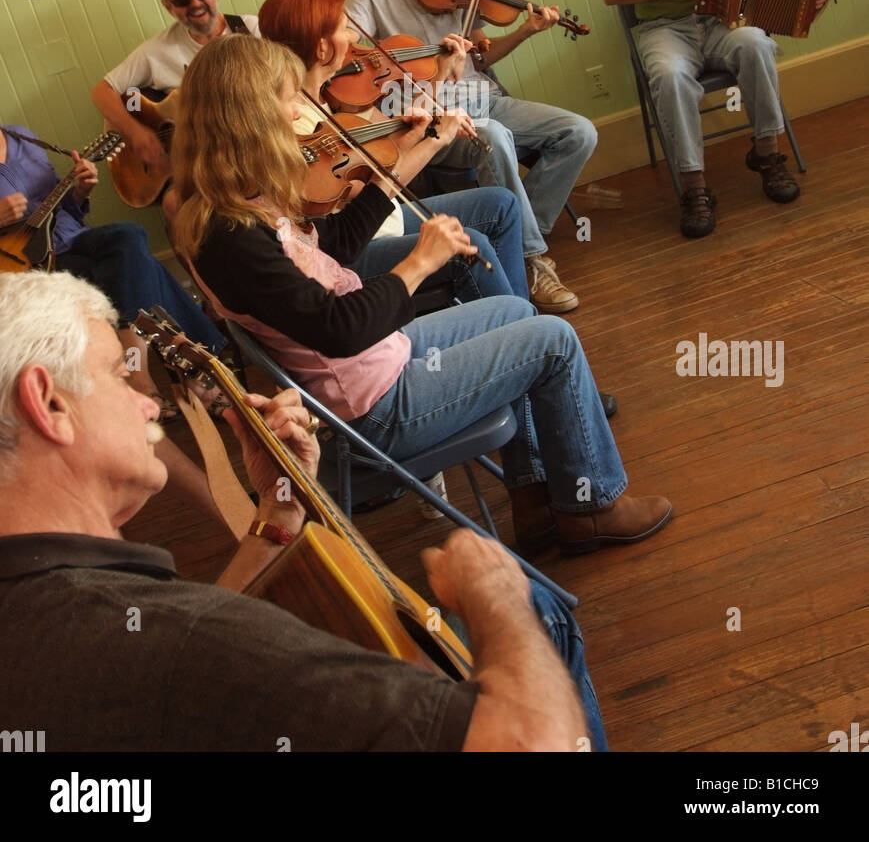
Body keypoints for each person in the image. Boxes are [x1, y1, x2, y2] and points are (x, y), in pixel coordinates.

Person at [0, 269, 608, 752]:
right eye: (119, 375)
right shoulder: (168, 637)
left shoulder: (49, 607)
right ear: (48, 402)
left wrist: (278, 512)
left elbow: (185, 654)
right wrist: (496, 595)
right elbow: (531, 741)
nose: (149, 406)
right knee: (538, 608)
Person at [171, 34, 673, 558]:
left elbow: (336, 247)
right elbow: (340, 329)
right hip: (375, 408)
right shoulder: (229, 236)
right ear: (248, 114)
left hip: (379, 362)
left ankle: (534, 493)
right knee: (554, 340)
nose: (300, 109)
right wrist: (419, 263)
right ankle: (591, 509)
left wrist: (407, 156)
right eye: (287, 97)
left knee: (514, 309)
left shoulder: (242, 202)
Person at [345, 0, 597, 313]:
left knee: (578, 133)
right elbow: (350, 54)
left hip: (485, 98)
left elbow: (482, 55)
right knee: (494, 137)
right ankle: (534, 260)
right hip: (435, 117)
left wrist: (524, 31)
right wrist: (424, 63)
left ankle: (516, 238)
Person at [602, 0, 832, 238]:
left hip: (722, 22)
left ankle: (767, 155)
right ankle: (695, 188)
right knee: (670, 77)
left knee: (756, 45)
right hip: (663, 28)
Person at [0, 122, 226, 516]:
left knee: (128, 242)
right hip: (29, 269)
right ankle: (197, 365)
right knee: (136, 259)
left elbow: (64, 207)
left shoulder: (20, 136)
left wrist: (80, 190)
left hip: (72, 242)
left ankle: (145, 370)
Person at [257, 0, 531, 304]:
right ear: (321, 48)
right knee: (471, 243)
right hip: (362, 242)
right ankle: (519, 327)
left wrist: (438, 76)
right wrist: (436, 140)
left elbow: (388, 147)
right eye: (345, 29)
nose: (354, 39)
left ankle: (519, 317)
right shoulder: (298, 122)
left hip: (388, 220)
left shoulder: (327, 100)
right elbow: (375, 190)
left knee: (502, 204)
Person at [90, 0, 258, 182]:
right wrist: (136, 133)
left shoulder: (253, 30)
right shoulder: (156, 51)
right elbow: (102, 91)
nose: (196, 3)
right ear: (168, 6)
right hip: (207, 169)